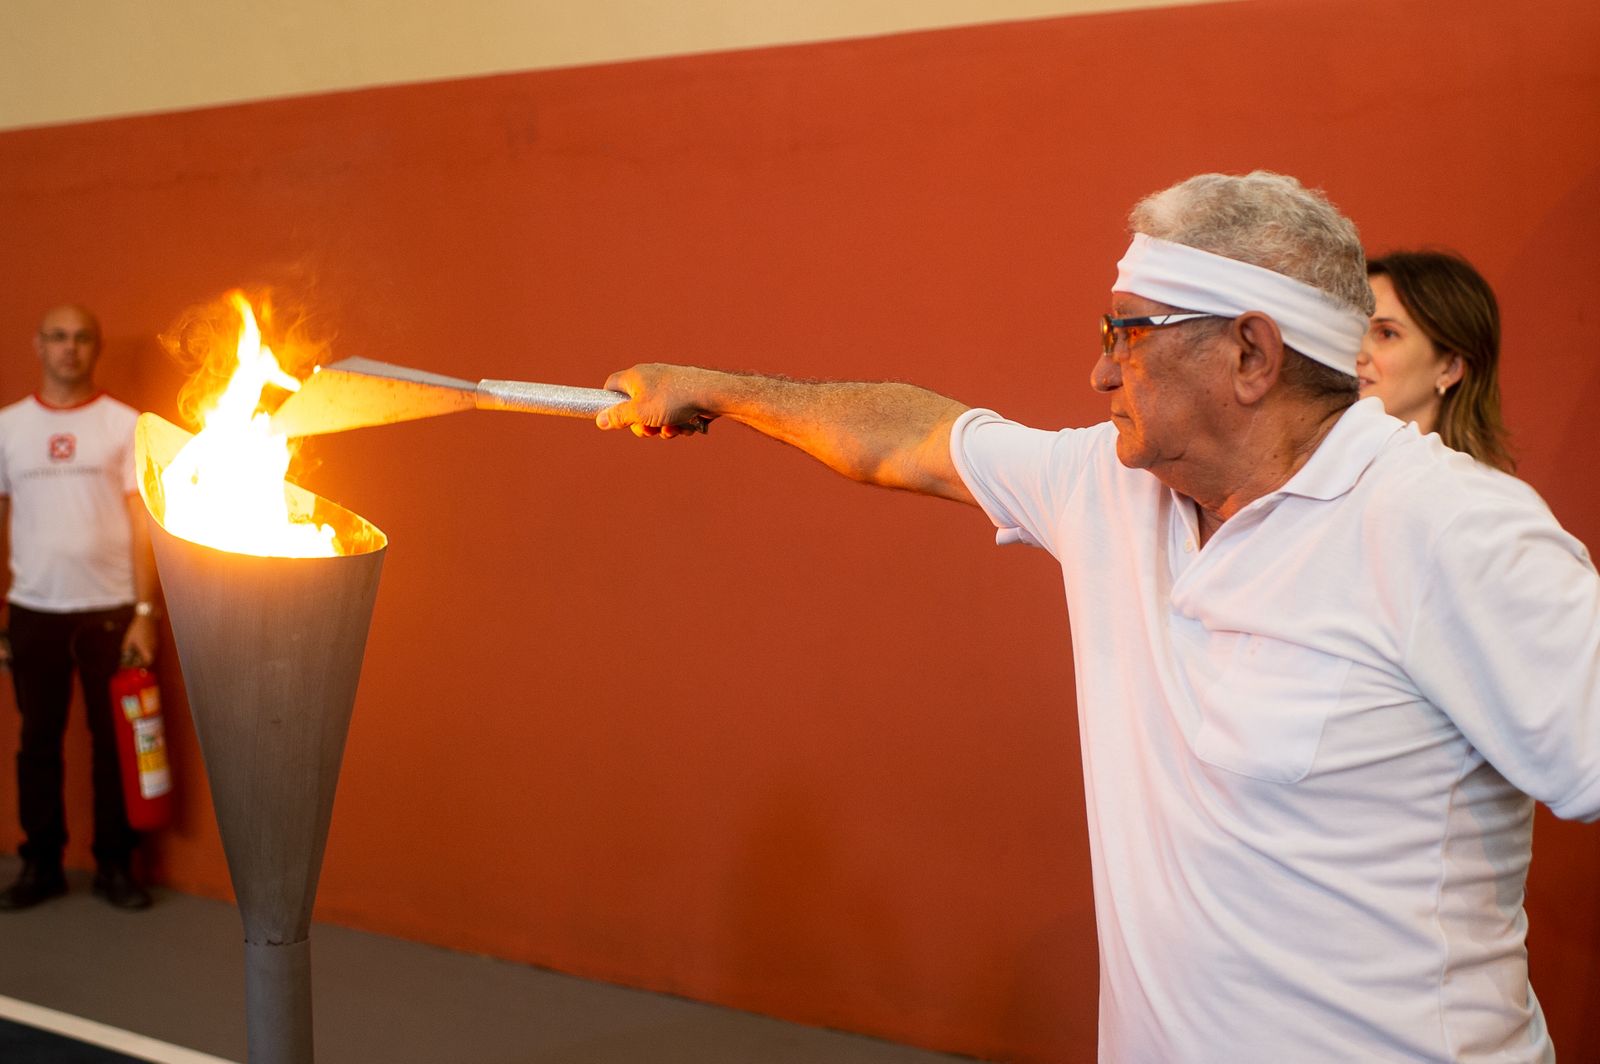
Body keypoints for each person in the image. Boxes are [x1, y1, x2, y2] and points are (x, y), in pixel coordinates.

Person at [593, 172, 1600, 1062]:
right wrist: (718, 391)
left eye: (1129, 333)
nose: (1101, 371)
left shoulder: (1449, 530)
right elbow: (909, 436)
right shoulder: (1110, 484)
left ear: (1251, 352)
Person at [0, 304, 161, 911]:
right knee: (37, 743)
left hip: (109, 609)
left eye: (82, 338)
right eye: (58, 337)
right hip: (33, 609)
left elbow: (143, 523)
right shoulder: (8, 427)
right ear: (38, 345)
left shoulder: (125, 424)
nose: (70, 348)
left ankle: (115, 866)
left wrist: (145, 612)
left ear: (96, 348)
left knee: (113, 743)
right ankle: (40, 864)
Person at [1359, 249, 1515, 470]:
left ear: (1450, 368)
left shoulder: (1474, 490)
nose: (1356, 353)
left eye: (1387, 333)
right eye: (1352, 328)